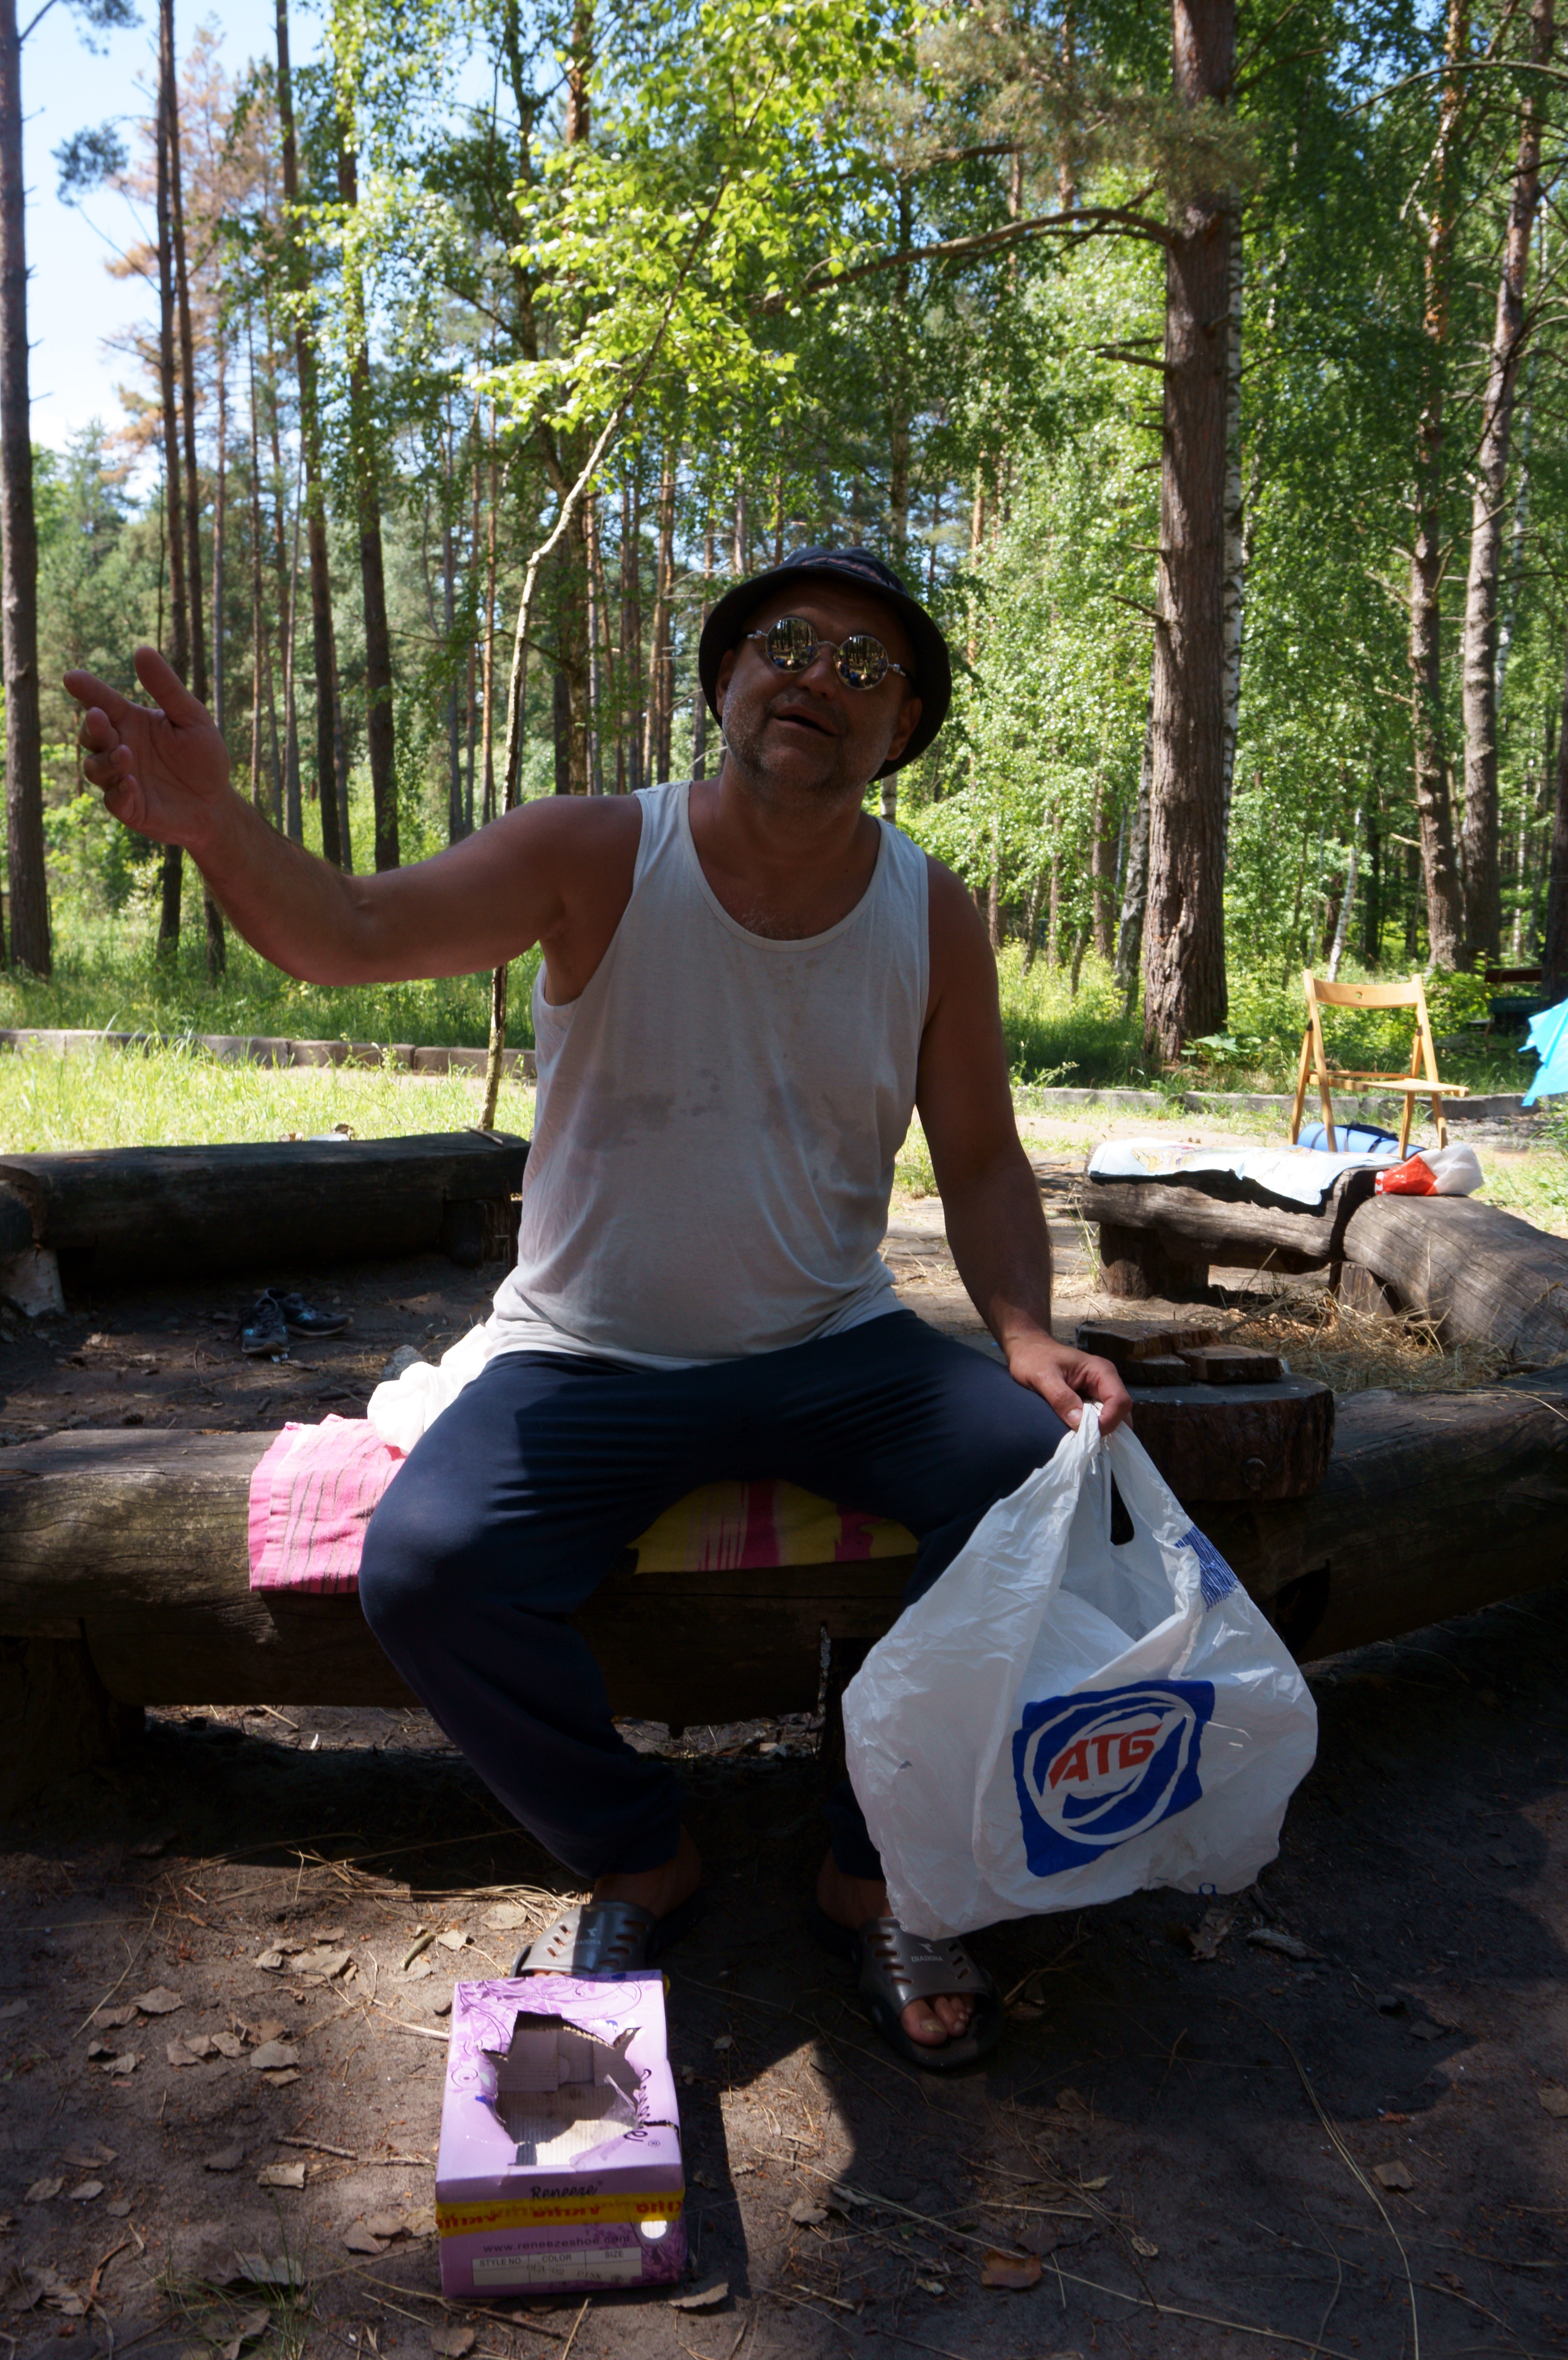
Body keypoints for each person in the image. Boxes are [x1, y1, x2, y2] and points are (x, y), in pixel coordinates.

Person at [66, 546, 1130, 2071]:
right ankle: (639, 1849)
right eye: (785, 643)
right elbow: (350, 932)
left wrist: (1025, 1333)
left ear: (902, 728)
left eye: (863, 666)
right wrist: (219, 828)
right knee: (428, 1566)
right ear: (724, 679)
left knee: (1045, 1474)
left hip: (832, 1343)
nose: (816, 678)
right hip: (587, 1353)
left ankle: (878, 1863)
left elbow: (977, 1153)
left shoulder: (931, 913)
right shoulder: (598, 852)